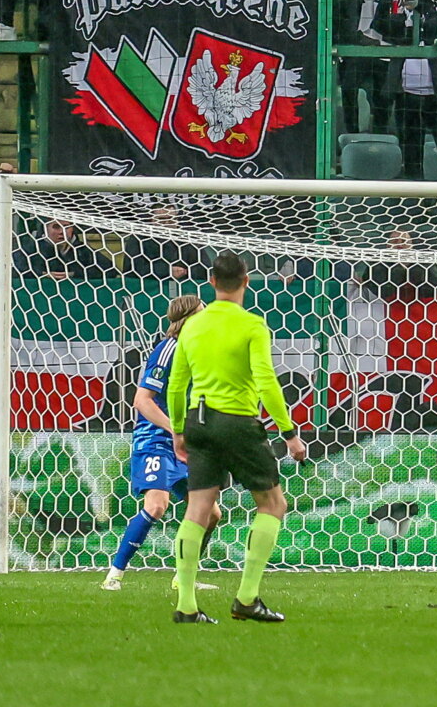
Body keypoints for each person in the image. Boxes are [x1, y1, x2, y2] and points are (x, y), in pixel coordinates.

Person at [165, 252, 306, 624]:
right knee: (273, 504)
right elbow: (266, 380)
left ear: (211, 283)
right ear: (246, 281)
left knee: (197, 510)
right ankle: (246, 598)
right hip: (237, 421)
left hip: (198, 421)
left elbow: (177, 384)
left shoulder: (192, 326)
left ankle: (186, 606)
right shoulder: (252, 326)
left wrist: (179, 429)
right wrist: (289, 433)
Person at [102, 295, 224, 591]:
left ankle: (183, 578)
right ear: (189, 318)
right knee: (157, 505)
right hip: (156, 439)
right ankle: (114, 576)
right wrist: (174, 429)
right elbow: (142, 400)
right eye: (203, 311)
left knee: (211, 513)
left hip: (187, 443)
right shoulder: (168, 350)